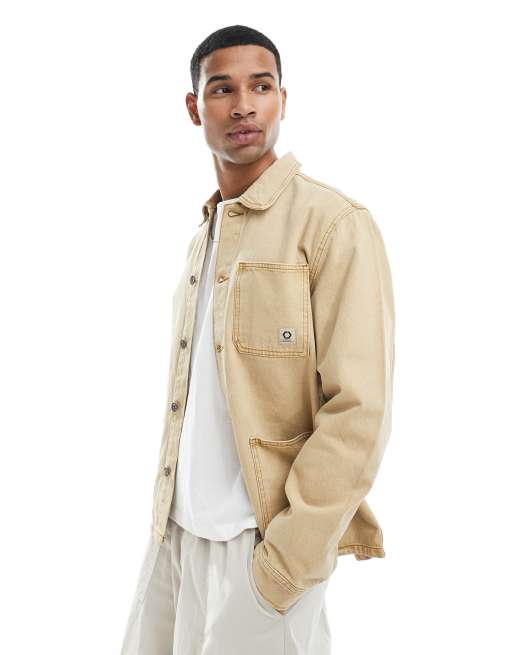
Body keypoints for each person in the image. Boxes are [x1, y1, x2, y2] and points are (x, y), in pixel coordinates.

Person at [120, 23, 395, 655]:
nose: (243, 105)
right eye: (222, 89)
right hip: (176, 541)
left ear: (282, 100)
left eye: (261, 87)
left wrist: (285, 564)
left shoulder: (334, 224)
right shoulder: (204, 237)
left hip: (263, 549)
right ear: (195, 108)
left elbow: (360, 411)